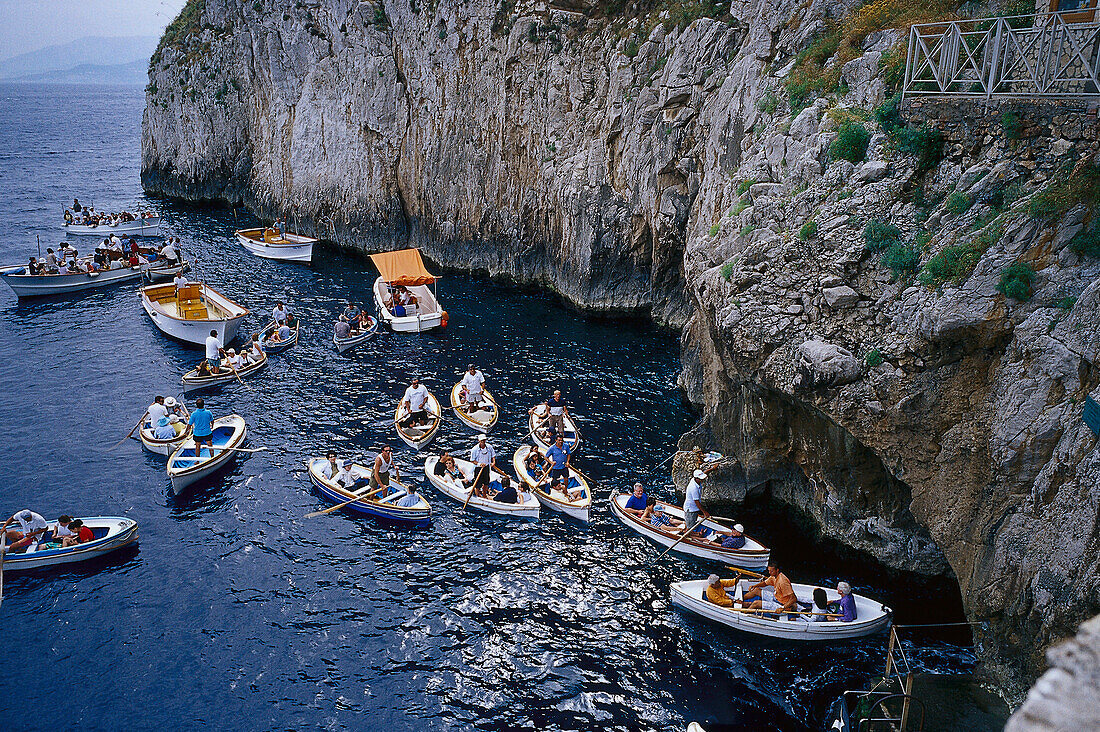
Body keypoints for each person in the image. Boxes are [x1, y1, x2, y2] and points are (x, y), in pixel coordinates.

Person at [681, 469, 710, 536]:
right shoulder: (693, 488)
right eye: (701, 479)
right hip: (691, 509)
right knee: (689, 528)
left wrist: (712, 469)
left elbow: (705, 473)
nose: (702, 480)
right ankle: (689, 536)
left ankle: (695, 533)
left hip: (694, 508)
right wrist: (705, 512)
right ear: (696, 478)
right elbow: (697, 503)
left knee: (692, 523)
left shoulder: (695, 480)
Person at [469, 434, 496, 499]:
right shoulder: (474, 449)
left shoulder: (489, 447)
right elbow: (472, 460)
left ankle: (484, 495)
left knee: (486, 482)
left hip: (486, 467)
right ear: (479, 441)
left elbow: (493, 455)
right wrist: (479, 464)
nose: (483, 442)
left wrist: (493, 462)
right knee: (478, 484)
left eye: (484, 440)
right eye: (481, 441)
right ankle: (478, 496)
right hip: (478, 468)